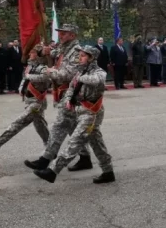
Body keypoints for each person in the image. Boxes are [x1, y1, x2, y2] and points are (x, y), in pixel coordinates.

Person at [33, 45, 115, 184]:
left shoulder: (98, 71)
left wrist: (81, 77)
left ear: (91, 58)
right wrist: (69, 100)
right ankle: (108, 172)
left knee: (75, 141)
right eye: (79, 55)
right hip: (81, 111)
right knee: (97, 143)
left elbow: (96, 80)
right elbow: (71, 87)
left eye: (83, 56)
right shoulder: (79, 72)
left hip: (92, 112)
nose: (79, 58)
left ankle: (53, 171)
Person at [24, 24, 93, 172]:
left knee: (59, 126)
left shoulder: (76, 52)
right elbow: (52, 53)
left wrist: (49, 71)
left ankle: (45, 160)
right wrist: (43, 51)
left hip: (72, 95)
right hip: (62, 93)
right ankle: (85, 157)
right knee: (73, 127)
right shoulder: (63, 48)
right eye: (59, 33)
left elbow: (69, 74)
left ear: (72, 35)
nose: (60, 36)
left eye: (63, 33)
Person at [0, 44, 50, 154]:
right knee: (40, 127)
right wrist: (21, 87)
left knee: (19, 122)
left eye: (32, 53)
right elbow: (24, 79)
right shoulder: (30, 66)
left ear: (38, 55)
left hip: (37, 102)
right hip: (29, 100)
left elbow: (46, 79)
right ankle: (50, 148)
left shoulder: (43, 68)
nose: (29, 54)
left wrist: (29, 77)